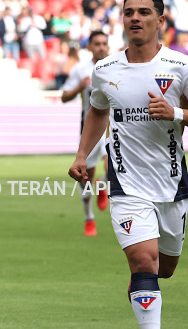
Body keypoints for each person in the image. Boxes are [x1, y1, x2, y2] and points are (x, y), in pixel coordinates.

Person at [68, 0, 188, 329]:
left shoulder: (183, 66)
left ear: (160, 21)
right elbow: (96, 111)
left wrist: (176, 113)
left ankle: (144, 285)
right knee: (142, 261)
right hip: (125, 181)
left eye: (144, 12)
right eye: (129, 12)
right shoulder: (105, 69)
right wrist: (82, 154)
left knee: (164, 268)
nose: (135, 17)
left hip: (171, 183)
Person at [61, 31, 110, 236]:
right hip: (89, 128)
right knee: (85, 177)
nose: (101, 47)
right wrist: (80, 87)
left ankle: (103, 185)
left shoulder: (116, 67)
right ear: (89, 47)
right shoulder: (80, 70)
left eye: (104, 43)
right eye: (96, 44)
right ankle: (89, 218)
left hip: (113, 127)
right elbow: (64, 96)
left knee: (114, 168)